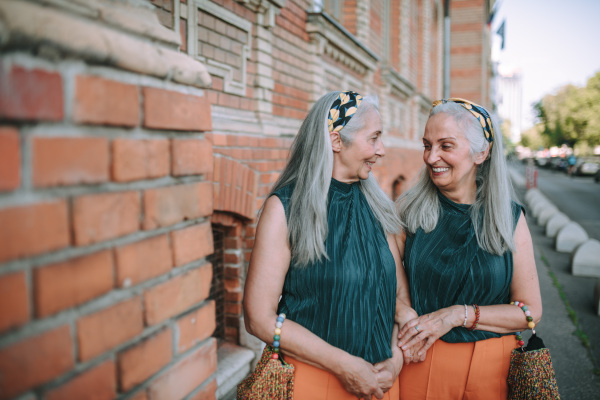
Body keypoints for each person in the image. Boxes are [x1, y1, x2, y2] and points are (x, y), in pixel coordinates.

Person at [243, 91, 418, 400]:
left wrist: (395, 359)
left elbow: (399, 300)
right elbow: (258, 317)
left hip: (381, 385)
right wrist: (344, 365)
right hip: (312, 383)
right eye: (374, 138)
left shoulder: (380, 208)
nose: (381, 150)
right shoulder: (285, 208)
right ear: (337, 141)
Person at [394, 98, 543, 399]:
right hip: (422, 363)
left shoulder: (508, 217)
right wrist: (403, 314)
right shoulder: (405, 214)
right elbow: (394, 293)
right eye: (427, 145)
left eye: (445, 145)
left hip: (495, 369)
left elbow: (529, 311)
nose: (431, 156)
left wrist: (457, 315)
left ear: (482, 152)